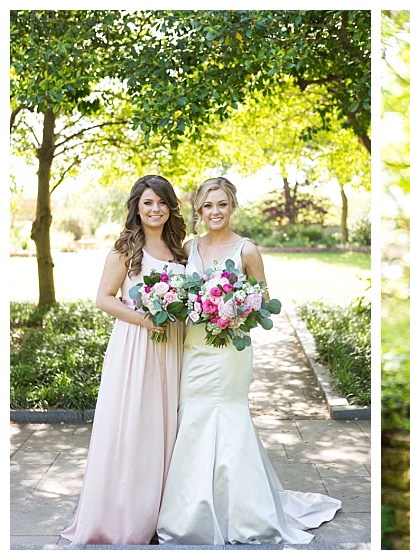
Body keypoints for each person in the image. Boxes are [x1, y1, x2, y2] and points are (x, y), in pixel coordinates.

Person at [155, 177, 341, 545]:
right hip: (193, 349)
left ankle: (244, 513)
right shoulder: (188, 248)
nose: (215, 212)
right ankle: (190, 513)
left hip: (230, 352)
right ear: (198, 210)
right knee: (193, 417)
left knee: (230, 417)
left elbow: (262, 301)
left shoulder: (246, 250)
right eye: (208, 206)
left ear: (232, 206)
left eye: (221, 204)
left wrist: (232, 311)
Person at [62, 175, 190, 544]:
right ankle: (128, 514)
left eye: (162, 203)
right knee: (137, 425)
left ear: (171, 207)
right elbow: (104, 298)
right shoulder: (124, 251)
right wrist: (145, 320)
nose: (155, 209)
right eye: (148, 202)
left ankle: (166, 512)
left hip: (174, 346)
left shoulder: (181, 252)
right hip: (137, 346)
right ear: (137, 206)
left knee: (170, 426)